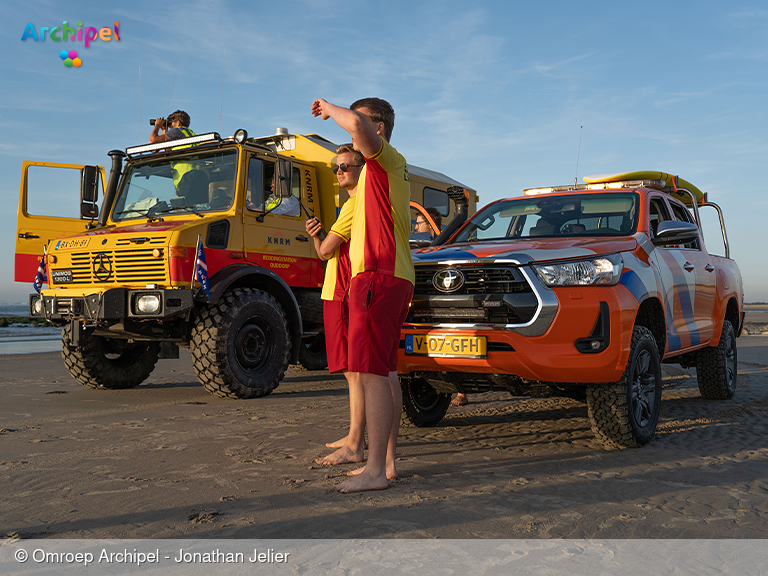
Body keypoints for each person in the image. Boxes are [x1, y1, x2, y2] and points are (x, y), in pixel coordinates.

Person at [311, 97, 414, 493]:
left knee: (371, 374)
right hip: (392, 277)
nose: (351, 143)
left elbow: (354, 122)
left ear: (380, 130)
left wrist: (326, 106)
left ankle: (373, 470)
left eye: (364, 130)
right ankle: (384, 463)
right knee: (384, 372)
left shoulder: (385, 161)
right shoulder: (379, 172)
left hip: (378, 277)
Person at [305, 144, 365, 466]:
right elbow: (329, 249)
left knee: (354, 371)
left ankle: (356, 441)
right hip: (340, 289)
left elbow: (326, 251)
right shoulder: (354, 205)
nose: (339, 172)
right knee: (351, 370)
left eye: (344, 167)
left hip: (343, 290)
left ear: (360, 169)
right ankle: (355, 434)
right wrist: (321, 237)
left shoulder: (354, 205)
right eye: (335, 168)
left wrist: (318, 237)